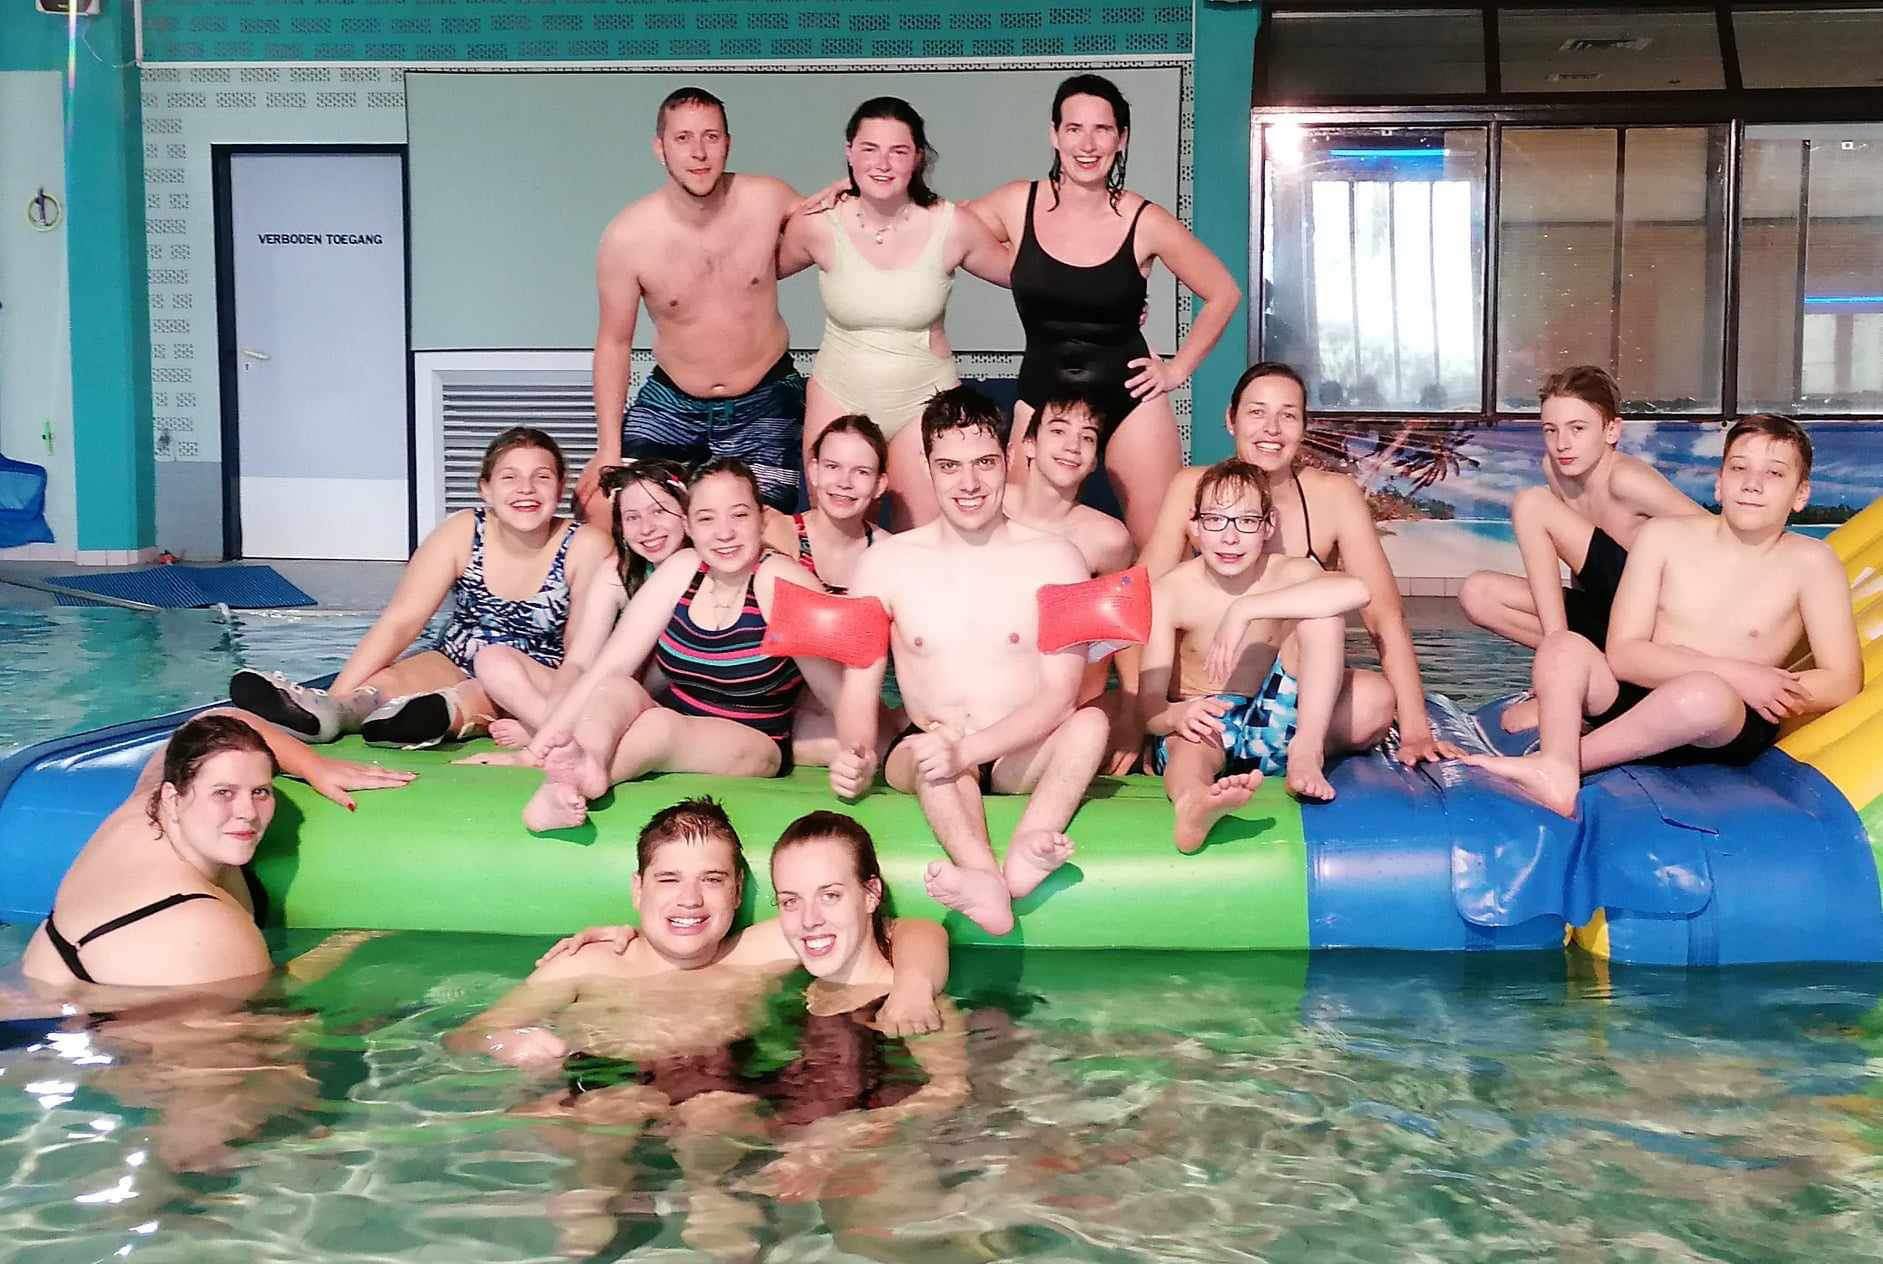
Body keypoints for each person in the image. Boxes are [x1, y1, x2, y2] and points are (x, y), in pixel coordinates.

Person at [1464, 415, 1862, 817]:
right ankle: (1556, 764)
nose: (1752, 484)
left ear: (1800, 494)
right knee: (1562, 645)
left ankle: (1569, 760)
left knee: (1703, 695)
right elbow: (1623, 654)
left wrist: (1768, 687)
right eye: (1739, 468)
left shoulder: (1812, 563)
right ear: (1719, 483)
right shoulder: (1664, 537)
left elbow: (1843, 679)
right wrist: (1738, 673)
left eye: (1774, 474)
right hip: (1642, 693)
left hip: (1724, 720)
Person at [828, 387, 1109, 937]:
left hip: (1022, 750)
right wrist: (856, 756)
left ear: (1008, 459)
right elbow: (859, 689)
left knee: (1091, 723)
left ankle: (1030, 845)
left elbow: (1061, 697)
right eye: (950, 466)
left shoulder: (1058, 559)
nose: (969, 483)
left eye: (983, 463)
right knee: (931, 754)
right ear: (927, 468)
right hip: (928, 745)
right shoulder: (885, 564)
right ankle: (983, 877)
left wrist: (969, 751)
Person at [492, 459, 847, 833]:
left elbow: (833, 689)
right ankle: (583, 764)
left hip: (755, 741)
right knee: (616, 687)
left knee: (659, 725)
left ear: (761, 519)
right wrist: (533, 752)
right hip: (675, 717)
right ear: (689, 525)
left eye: (739, 515)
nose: (724, 533)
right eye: (707, 519)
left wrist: (859, 751)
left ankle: (574, 784)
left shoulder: (780, 580)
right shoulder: (683, 569)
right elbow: (608, 667)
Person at [1142, 361, 1461, 767]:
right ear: (1231, 420)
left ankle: (1290, 750)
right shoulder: (1193, 487)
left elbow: (1385, 616)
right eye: (1257, 412)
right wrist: (1139, 723)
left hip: (1289, 700)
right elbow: (1140, 603)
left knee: (1375, 702)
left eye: (1288, 416)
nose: (1272, 429)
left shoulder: (1334, 496)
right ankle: (1211, 751)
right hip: (1207, 699)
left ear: (1304, 427)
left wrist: (1416, 730)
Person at [966, 73, 1241, 545]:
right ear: (1054, 135)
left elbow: (1223, 292)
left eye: (1102, 130)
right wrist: (850, 195)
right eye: (1074, 129)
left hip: (1130, 401)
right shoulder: (1016, 203)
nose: (1087, 144)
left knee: (1162, 550)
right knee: (1018, 548)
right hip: (1042, 395)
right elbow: (937, 228)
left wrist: (1176, 370)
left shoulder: (1144, 220)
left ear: (1122, 138)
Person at [230, 427, 612, 748]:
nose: (525, 489)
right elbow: (401, 621)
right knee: (380, 688)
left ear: (560, 487)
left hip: (536, 674)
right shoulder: (463, 531)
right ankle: (330, 713)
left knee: (472, 697)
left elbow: (581, 654)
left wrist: (548, 711)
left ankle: (434, 717)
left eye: (541, 477)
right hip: (453, 657)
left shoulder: (586, 546)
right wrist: (337, 693)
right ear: (486, 489)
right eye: (509, 477)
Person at [19, 712, 413, 990]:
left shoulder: (147, 807)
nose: (247, 813)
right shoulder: (200, 930)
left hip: (41, 984)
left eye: (260, 791)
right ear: (173, 797)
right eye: (223, 792)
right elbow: (264, 1049)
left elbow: (217, 718)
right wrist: (348, 944)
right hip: (89, 1028)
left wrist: (312, 765)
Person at [578, 87, 816, 517]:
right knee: (607, 504)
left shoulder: (768, 199)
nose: (699, 152)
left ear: (728, 143)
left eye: (711, 137)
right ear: (660, 148)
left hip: (766, 395)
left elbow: (836, 231)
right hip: (673, 400)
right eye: (683, 138)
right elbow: (614, 343)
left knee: (758, 525)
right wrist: (607, 447)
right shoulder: (627, 237)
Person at [778, 97, 1013, 528]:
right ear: (849, 152)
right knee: (835, 537)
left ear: (918, 157)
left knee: (926, 542)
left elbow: (1030, 275)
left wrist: (1120, 294)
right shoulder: (820, 223)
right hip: (838, 395)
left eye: (898, 151)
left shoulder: (951, 225)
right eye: (869, 149)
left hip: (923, 403)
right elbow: (749, 272)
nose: (882, 164)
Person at [1140, 462, 1370, 850]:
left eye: (1246, 521)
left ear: (1268, 525)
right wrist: (1176, 715)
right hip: (1207, 720)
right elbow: (1149, 709)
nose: (1230, 537)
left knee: (1329, 625)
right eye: (1215, 520)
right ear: (1194, 524)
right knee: (1187, 748)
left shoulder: (1288, 572)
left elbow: (1358, 590)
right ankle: (1194, 803)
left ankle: (1306, 753)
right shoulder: (1170, 592)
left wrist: (1245, 609)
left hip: (1276, 719)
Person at [1459, 364, 1700, 662]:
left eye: (1577, 429)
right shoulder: (1555, 469)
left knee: (1531, 503)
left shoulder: (1627, 479)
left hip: (1654, 618)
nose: (1562, 444)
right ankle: (1593, 662)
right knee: (1478, 594)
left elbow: (1714, 533)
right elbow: (1584, 566)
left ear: (1611, 430)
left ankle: (1559, 651)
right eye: (1551, 430)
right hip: (1606, 616)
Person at [476, 458, 691, 752]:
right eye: (632, 517)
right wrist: (556, 712)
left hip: (661, 710)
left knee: (622, 684)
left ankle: (550, 735)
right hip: (605, 695)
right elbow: (579, 662)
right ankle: (554, 731)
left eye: (659, 511)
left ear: (686, 514)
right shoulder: (617, 572)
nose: (647, 528)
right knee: (491, 659)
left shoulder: (700, 568)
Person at [1002, 392, 1134, 577]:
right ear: (1029, 444)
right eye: (1058, 431)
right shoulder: (988, 505)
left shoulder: (1109, 539)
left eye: (1087, 438)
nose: (1073, 446)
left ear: (1094, 462)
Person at [760, 414, 889, 597]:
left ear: (879, 484)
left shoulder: (888, 552)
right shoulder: (778, 535)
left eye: (861, 472)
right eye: (832, 467)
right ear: (814, 471)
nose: (844, 482)